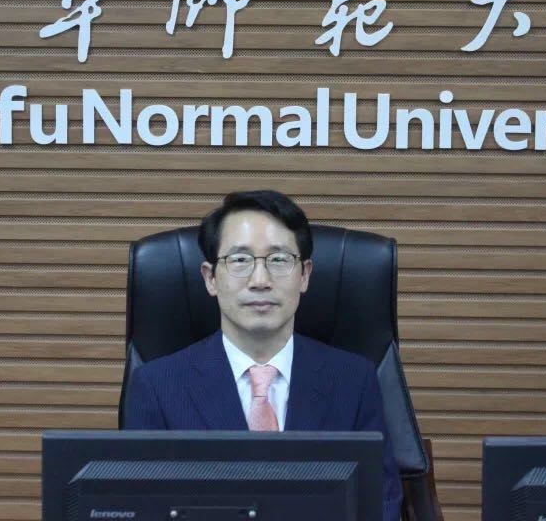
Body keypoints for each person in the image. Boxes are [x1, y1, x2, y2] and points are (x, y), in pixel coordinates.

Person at [124, 189, 404, 521]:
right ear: (210, 278)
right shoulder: (156, 387)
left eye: (279, 260)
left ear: (305, 275)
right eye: (240, 260)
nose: (260, 281)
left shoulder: (354, 381)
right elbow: (142, 509)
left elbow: (380, 505)